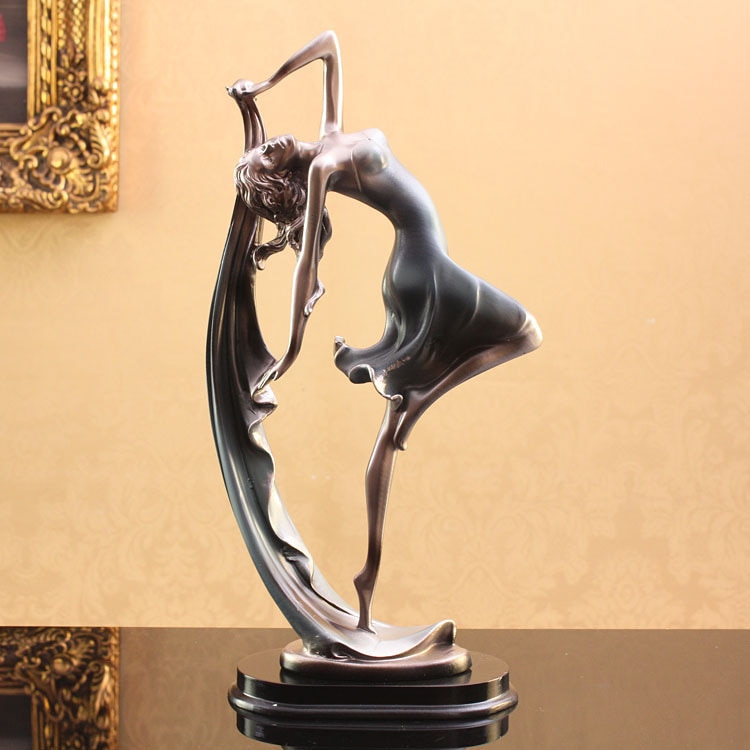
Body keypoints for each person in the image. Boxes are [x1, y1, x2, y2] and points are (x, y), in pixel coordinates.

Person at [228, 31, 542, 632]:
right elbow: (306, 265)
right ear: (280, 178)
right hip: (424, 269)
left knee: (432, 388)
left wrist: (259, 92)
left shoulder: (328, 132)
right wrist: (290, 350)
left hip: (418, 267)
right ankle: (413, 412)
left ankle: (370, 574)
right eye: (267, 157)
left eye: (265, 146)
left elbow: (329, 45)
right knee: (522, 330)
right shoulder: (323, 167)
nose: (273, 147)